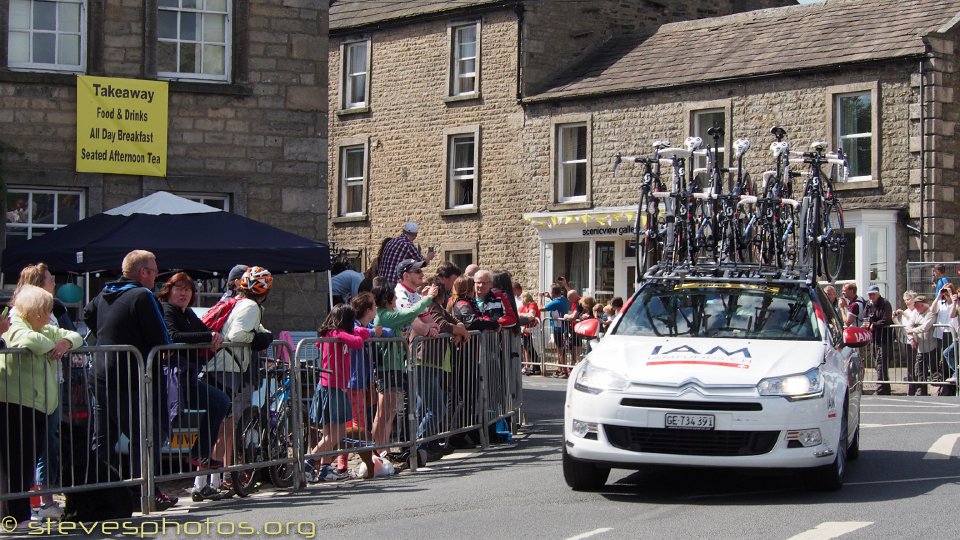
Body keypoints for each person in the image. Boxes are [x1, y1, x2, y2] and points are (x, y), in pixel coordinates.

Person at [82, 250, 178, 510]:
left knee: (103, 438)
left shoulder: (105, 292)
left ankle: (97, 493)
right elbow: (162, 338)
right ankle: (141, 492)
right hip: (131, 376)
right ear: (143, 272)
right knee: (146, 435)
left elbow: (87, 315)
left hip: (102, 373)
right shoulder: (142, 295)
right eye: (155, 270)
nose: (158, 275)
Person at [1, 285, 83, 526]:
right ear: (35, 310)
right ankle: (14, 516)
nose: (49, 316)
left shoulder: (42, 327)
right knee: (15, 464)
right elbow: (29, 340)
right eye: (46, 310)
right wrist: (55, 344)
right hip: (16, 403)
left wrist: (65, 343)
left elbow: (74, 335)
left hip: (37, 405)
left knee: (25, 464)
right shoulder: (16, 324)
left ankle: (18, 513)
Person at [156, 273, 232, 502]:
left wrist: (214, 336)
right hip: (170, 376)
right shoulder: (166, 309)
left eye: (187, 290)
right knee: (162, 427)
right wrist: (208, 336)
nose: (183, 293)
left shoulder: (186, 312)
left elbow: (203, 330)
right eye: (179, 289)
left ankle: (199, 453)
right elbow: (174, 335)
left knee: (220, 401)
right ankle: (148, 486)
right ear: (168, 290)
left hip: (186, 375)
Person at [202, 266, 273, 490]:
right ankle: (207, 483)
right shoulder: (251, 306)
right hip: (227, 368)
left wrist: (264, 334)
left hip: (222, 366)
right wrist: (259, 338)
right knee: (222, 427)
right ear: (264, 291)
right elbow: (238, 335)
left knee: (218, 426)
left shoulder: (241, 303)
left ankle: (209, 482)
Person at [305, 304, 375, 482]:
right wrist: (360, 333)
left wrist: (360, 333)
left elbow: (360, 336)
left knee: (330, 433)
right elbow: (358, 342)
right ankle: (308, 463)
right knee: (339, 432)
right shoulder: (336, 334)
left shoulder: (333, 334)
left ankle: (325, 469)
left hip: (332, 387)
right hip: (333, 388)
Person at [371, 278, 438, 456]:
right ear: (387, 298)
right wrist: (428, 299)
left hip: (396, 366)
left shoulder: (387, 313)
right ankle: (376, 452)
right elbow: (409, 313)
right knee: (383, 413)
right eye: (392, 296)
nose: (395, 299)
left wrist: (421, 299)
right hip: (387, 368)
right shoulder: (385, 315)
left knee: (390, 412)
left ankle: (383, 450)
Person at [903, 295, 936, 396]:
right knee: (920, 372)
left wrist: (913, 330)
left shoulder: (930, 313)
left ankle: (938, 393)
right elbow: (908, 325)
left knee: (934, 371)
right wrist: (912, 338)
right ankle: (922, 393)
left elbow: (925, 327)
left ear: (922, 304)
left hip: (931, 347)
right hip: (920, 348)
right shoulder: (916, 313)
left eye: (916, 304)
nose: (915, 306)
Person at [864, 285, 894, 395]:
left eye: (873, 294)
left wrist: (874, 325)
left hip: (885, 339)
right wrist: (867, 324)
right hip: (874, 339)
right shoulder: (868, 304)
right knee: (877, 364)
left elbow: (886, 320)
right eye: (869, 294)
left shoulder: (885, 303)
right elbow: (865, 317)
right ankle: (886, 389)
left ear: (878, 293)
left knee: (881, 363)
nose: (871, 296)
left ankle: (881, 389)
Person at [542, 284, 571, 377]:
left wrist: (539, 298)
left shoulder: (557, 301)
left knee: (560, 349)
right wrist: (550, 298)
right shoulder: (562, 299)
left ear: (553, 293)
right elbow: (556, 305)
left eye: (551, 292)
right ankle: (560, 369)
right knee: (560, 349)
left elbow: (541, 308)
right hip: (560, 327)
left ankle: (564, 370)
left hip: (559, 328)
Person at [519, 292, 542, 376]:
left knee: (532, 349)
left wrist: (522, 315)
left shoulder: (533, 304)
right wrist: (522, 314)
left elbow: (531, 314)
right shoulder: (525, 306)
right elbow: (518, 313)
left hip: (532, 330)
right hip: (526, 331)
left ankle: (537, 368)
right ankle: (529, 366)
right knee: (527, 349)